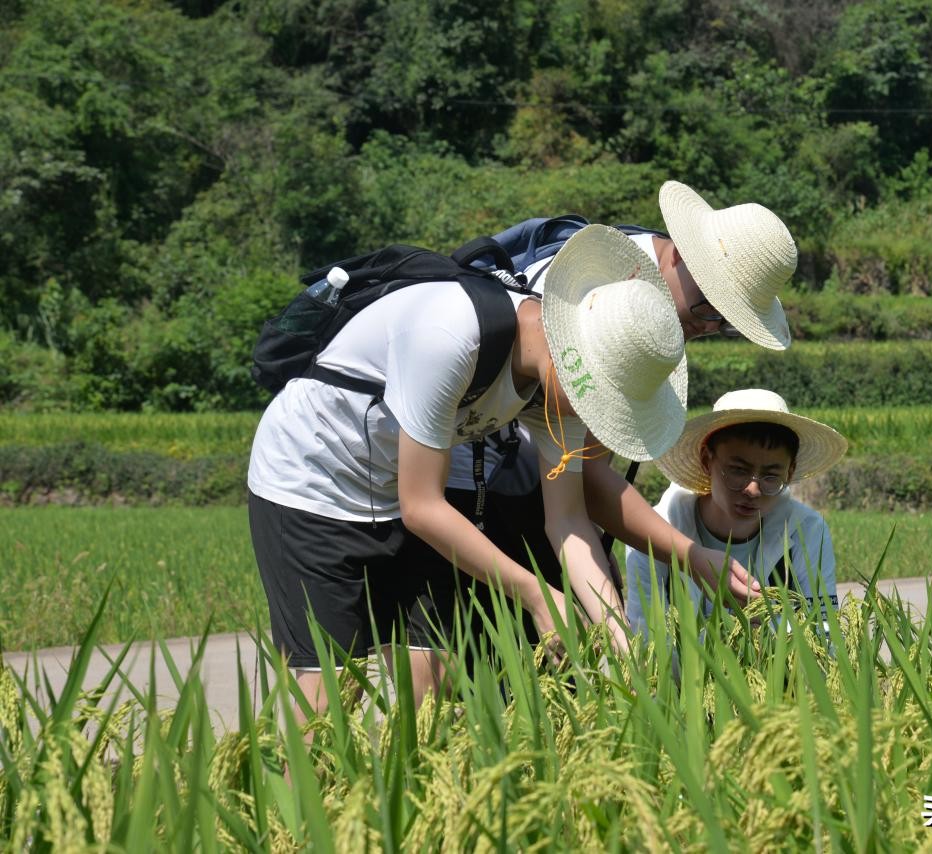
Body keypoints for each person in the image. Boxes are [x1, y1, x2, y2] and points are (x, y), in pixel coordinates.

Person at [247, 225, 755, 717]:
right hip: (314, 484)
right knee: (328, 696)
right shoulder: (450, 334)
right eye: (595, 400)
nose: (592, 415)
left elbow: (568, 521)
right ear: (573, 353)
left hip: (396, 485)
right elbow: (422, 507)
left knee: (436, 677)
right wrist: (537, 595)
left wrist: (619, 637)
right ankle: (296, 802)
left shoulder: (559, 386)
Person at [443, 181, 801, 634]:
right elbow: (586, 478)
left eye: (727, 321)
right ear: (678, 255)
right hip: (472, 474)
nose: (709, 326)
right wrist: (688, 555)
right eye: (710, 307)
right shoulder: (595, 288)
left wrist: (596, 541)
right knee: (491, 656)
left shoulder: (659, 311)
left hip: (538, 484)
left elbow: (586, 467)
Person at [625, 389, 849, 639]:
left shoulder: (807, 531)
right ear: (707, 460)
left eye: (771, 476)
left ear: (790, 471)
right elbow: (645, 639)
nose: (753, 490)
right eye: (738, 471)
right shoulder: (654, 533)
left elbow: (823, 634)